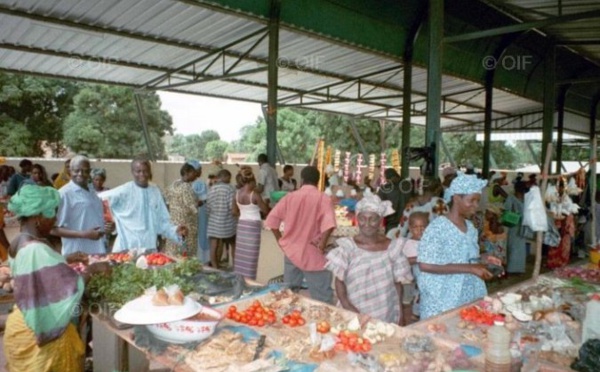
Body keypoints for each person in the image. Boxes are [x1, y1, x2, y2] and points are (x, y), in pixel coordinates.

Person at [4, 185, 110, 371]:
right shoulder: (36, 250)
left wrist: (64, 259)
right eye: (52, 214)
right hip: (40, 330)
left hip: (21, 323)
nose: (55, 219)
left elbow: (36, 273)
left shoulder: (18, 241)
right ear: (37, 217)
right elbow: (69, 289)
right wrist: (93, 269)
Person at [417, 172, 496, 320]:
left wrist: (484, 259)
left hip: (467, 294)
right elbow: (425, 265)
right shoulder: (438, 228)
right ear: (456, 198)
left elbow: (469, 258)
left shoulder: (470, 228)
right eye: (471, 200)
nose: (475, 206)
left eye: (477, 201)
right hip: (442, 299)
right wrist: (470, 268)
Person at [326, 194, 412, 325]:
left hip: (385, 311)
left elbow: (397, 284)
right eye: (362, 218)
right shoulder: (348, 248)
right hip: (353, 310)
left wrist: (400, 313)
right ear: (357, 219)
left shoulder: (393, 248)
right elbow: (339, 283)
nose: (367, 224)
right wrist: (351, 310)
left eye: (373, 219)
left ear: (380, 221)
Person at [265, 166, 336, 304]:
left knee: (289, 294)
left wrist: (281, 241)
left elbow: (272, 221)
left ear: (302, 180)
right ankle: (323, 323)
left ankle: (289, 320)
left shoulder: (290, 197)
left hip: (291, 251)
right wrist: (322, 243)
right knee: (322, 297)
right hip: (313, 253)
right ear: (318, 181)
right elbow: (330, 225)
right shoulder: (323, 198)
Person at [100, 157, 187, 252]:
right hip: (126, 247)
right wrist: (109, 222)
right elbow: (100, 199)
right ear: (132, 172)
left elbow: (162, 221)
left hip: (148, 247)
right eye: (138, 171)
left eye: (145, 171)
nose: (142, 174)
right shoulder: (124, 191)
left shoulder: (155, 191)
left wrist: (175, 231)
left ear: (150, 172)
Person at [52, 155, 111, 256]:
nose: (81, 174)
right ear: (70, 171)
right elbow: (53, 229)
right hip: (78, 253)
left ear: (90, 172)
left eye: (85, 171)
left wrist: (106, 228)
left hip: (99, 249)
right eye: (76, 170)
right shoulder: (64, 194)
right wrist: (84, 234)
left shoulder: (92, 190)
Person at [233, 166, 269, 280]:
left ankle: (239, 280)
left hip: (242, 226)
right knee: (251, 258)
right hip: (253, 227)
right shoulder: (255, 195)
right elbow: (265, 210)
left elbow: (234, 211)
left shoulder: (237, 194)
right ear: (252, 180)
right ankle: (250, 282)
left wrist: (243, 214)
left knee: (241, 257)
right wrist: (266, 204)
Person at [164, 162, 198, 257]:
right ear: (187, 172)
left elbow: (166, 200)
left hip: (174, 222)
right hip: (185, 225)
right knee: (186, 252)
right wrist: (198, 204)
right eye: (193, 173)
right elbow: (192, 207)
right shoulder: (186, 187)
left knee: (173, 249)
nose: (195, 175)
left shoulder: (174, 185)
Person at [206, 169, 237, 268]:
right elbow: (232, 208)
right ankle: (235, 267)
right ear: (224, 177)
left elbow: (208, 207)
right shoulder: (230, 189)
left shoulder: (212, 189)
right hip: (227, 223)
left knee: (213, 246)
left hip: (214, 222)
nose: (230, 179)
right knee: (233, 244)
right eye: (229, 177)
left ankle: (215, 267)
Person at [504, 180, 529, 274]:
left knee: (516, 248)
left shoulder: (517, 198)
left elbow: (506, 209)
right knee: (517, 247)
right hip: (518, 225)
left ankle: (515, 269)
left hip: (518, 225)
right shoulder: (517, 198)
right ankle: (515, 269)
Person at [189, 161, 210, 263]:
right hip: (200, 212)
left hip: (189, 213)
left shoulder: (184, 183)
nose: (201, 171)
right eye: (200, 169)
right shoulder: (200, 184)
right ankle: (202, 259)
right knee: (201, 234)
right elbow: (204, 199)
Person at [378, 168, 404, 233]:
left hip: (392, 222)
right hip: (404, 221)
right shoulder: (407, 186)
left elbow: (378, 205)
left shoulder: (384, 189)